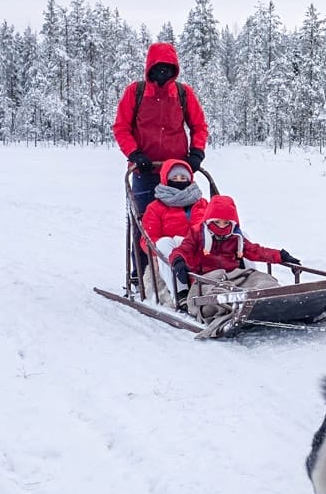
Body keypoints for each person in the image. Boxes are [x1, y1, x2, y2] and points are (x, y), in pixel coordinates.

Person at [113, 42, 209, 217]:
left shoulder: (183, 93)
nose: (163, 71)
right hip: (144, 171)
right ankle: (141, 236)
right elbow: (121, 127)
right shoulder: (135, 92)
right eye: (159, 67)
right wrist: (135, 154)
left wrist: (196, 153)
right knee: (144, 219)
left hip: (177, 173)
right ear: (150, 67)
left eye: (168, 67)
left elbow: (199, 126)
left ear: (174, 69)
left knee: (183, 222)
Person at [169, 195, 301, 311]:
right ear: (209, 220)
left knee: (263, 279)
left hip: (234, 275)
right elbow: (182, 250)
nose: (221, 226)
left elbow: (255, 250)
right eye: (217, 222)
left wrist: (281, 255)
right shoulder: (198, 233)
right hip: (206, 278)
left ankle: (273, 299)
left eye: (226, 222)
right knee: (215, 295)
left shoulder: (235, 236)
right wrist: (178, 261)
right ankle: (235, 306)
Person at [139, 159, 209, 304]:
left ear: (190, 179)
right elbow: (148, 239)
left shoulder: (202, 203)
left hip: (200, 248)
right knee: (163, 243)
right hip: (172, 252)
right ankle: (180, 294)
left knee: (239, 236)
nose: (179, 181)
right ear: (166, 180)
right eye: (174, 178)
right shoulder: (155, 207)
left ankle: (251, 284)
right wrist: (156, 253)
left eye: (183, 178)